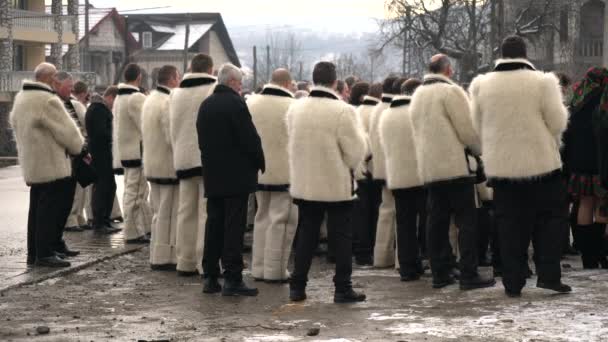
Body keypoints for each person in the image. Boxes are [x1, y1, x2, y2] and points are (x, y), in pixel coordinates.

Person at [469, 36, 571, 296]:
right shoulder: (543, 82)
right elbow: (558, 122)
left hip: (502, 168)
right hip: (542, 165)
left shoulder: (482, 85)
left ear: (501, 54)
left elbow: (476, 126)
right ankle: (549, 275)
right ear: (525, 54)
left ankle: (513, 280)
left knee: (509, 225)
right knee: (549, 221)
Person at [410, 54, 494, 290]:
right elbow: (467, 131)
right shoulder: (451, 92)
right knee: (467, 221)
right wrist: (479, 150)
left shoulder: (418, 95)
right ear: (447, 70)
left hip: (430, 168)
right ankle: (469, 272)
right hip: (455, 167)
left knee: (436, 221)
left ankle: (440, 272)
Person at [287, 61, 367, 303]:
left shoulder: (296, 109)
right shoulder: (343, 111)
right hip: (335, 184)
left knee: (307, 235)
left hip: (306, 182)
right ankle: (342, 287)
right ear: (335, 82)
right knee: (341, 237)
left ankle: (297, 286)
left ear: (313, 79)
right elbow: (355, 152)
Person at [197, 63, 265, 296]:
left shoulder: (205, 105)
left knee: (214, 224)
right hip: (236, 176)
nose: (241, 86)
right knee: (233, 227)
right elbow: (249, 138)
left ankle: (210, 276)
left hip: (213, 175)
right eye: (239, 82)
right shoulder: (236, 104)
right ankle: (233, 278)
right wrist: (259, 161)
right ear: (232, 82)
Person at [10, 63, 85, 267]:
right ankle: (44, 253)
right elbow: (71, 136)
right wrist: (78, 148)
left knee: (36, 209)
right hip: (51, 164)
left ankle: (34, 253)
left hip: (33, 163)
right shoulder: (48, 100)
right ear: (51, 79)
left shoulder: (21, 98)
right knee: (49, 210)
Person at [248, 69, 298, 283]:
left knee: (261, 218)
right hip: (284, 171)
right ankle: (275, 270)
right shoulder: (292, 106)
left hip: (258, 171)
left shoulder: (251, 103)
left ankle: (258, 267)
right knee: (282, 221)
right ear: (287, 83)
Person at [169, 53, 217, 276]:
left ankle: (184, 260)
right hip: (207, 157)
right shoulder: (212, 89)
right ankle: (203, 260)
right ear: (209, 69)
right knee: (206, 212)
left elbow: (171, 127)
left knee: (185, 210)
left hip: (182, 156)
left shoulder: (176, 94)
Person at [379, 78, 426, 281]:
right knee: (426, 221)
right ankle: (426, 259)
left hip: (397, 174)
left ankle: (407, 266)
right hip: (420, 173)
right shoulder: (417, 113)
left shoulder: (387, 115)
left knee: (404, 223)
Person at [563, 67, 608, 269]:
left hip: (580, 163)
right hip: (601, 161)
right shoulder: (604, 100)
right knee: (602, 205)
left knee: (584, 205)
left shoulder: (576, 100)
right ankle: (601, 254)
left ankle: (587, 257)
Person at [142, 65, 181, 270]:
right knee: (170, 211)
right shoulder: (168, 101)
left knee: (159, 210)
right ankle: (166, 256)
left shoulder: (150, 99)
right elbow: (170, 136)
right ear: (173, 79)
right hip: (167, 164)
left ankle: (157, 252)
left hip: (152, 163)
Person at [115, 63, 152, 244]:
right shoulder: (135, 97)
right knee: (136, 193)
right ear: (138, 77)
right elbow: (146, 124)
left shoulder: (119, 97)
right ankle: (134, 232)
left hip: (127, 149)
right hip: (138, 151)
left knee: (133, 191)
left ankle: (143, 226)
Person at [52, 72, 89, 233]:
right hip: (67, 153)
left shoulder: (71, 104)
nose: (71, 89)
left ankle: (77, 217)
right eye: (69, 86)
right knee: (73, 193)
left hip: (76, 152)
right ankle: (72, 219)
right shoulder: (66, 104)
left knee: (79, 191)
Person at [368, 76, 398, 267]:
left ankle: (381, 256)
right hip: (397, 166)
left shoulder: (376, 110)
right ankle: (400, 259)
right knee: (402, 214)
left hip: (380, 166)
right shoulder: (395, 109)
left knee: (386, 211)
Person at [352, 82, 381, 266]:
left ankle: (360, 250)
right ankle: (368, 249)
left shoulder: (357, 111)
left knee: (361, 212)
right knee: (374, 213)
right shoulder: (379, 112)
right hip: (375, 167)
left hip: (359, 166)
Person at [85, 87, 121, 235]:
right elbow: (101, 133)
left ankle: (104, 220)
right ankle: (100, 222)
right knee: (102, 188)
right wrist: (115, 135)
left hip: (102, 155)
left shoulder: (97, 108)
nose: (114, 106)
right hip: (101, 155)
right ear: (111, 97)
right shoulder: (99, 109)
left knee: (108, 187)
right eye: (115, 102)